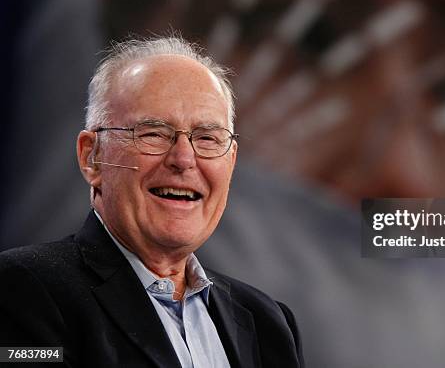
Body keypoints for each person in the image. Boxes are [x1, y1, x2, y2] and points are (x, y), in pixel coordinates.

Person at [0, 36, 304, 368]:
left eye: (207, 138)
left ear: (230, 162)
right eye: (154, 134)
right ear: (92, 157)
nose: (184, 159)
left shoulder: (268, 322)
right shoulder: (22, 290)